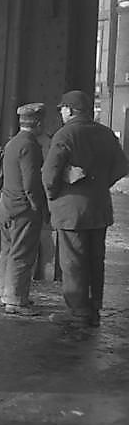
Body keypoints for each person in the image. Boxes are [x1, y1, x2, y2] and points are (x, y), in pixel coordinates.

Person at [42, 90, 128, 327]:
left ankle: (78, 311)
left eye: (62, 109)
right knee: (95, 259)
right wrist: (99, 183)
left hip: (72, 211)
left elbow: (49, 175)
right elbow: (122, 166)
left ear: (70, 110)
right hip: (99, 209)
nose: (61, 112)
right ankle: (93, 308)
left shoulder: (65, 134)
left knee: (73, 261)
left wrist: (54, 195)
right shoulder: (105, 133)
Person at [0, 103, 48, 315]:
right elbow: (31, 183)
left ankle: (4, 292)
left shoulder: (13, 142)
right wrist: (39, 207)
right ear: (39, 122)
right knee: (23, 254)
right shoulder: (30, 145)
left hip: (6, 206)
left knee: (7, 250)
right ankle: (16, 301)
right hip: (22, 210)